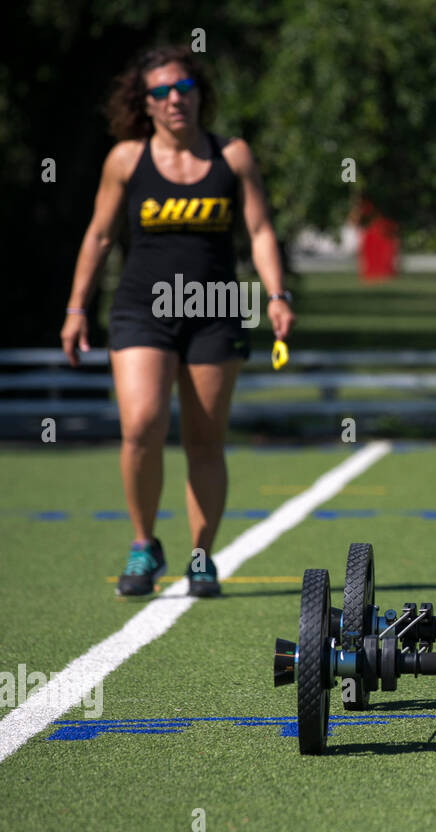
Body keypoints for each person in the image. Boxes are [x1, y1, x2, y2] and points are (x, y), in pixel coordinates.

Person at [60, 44, 295, 597]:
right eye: (161, 92)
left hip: (214, 313)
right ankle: (144, 546)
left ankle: (200, 557)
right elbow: (98, 235)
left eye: (183, 89)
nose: (173, 101)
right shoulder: (125, 160)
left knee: (205, 440)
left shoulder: (231, 156)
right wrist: (75, 308)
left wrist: (276, 294)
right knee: (140, 425)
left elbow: (259, 231)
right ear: (144, 103)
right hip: (142, 309)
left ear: (198, 94)